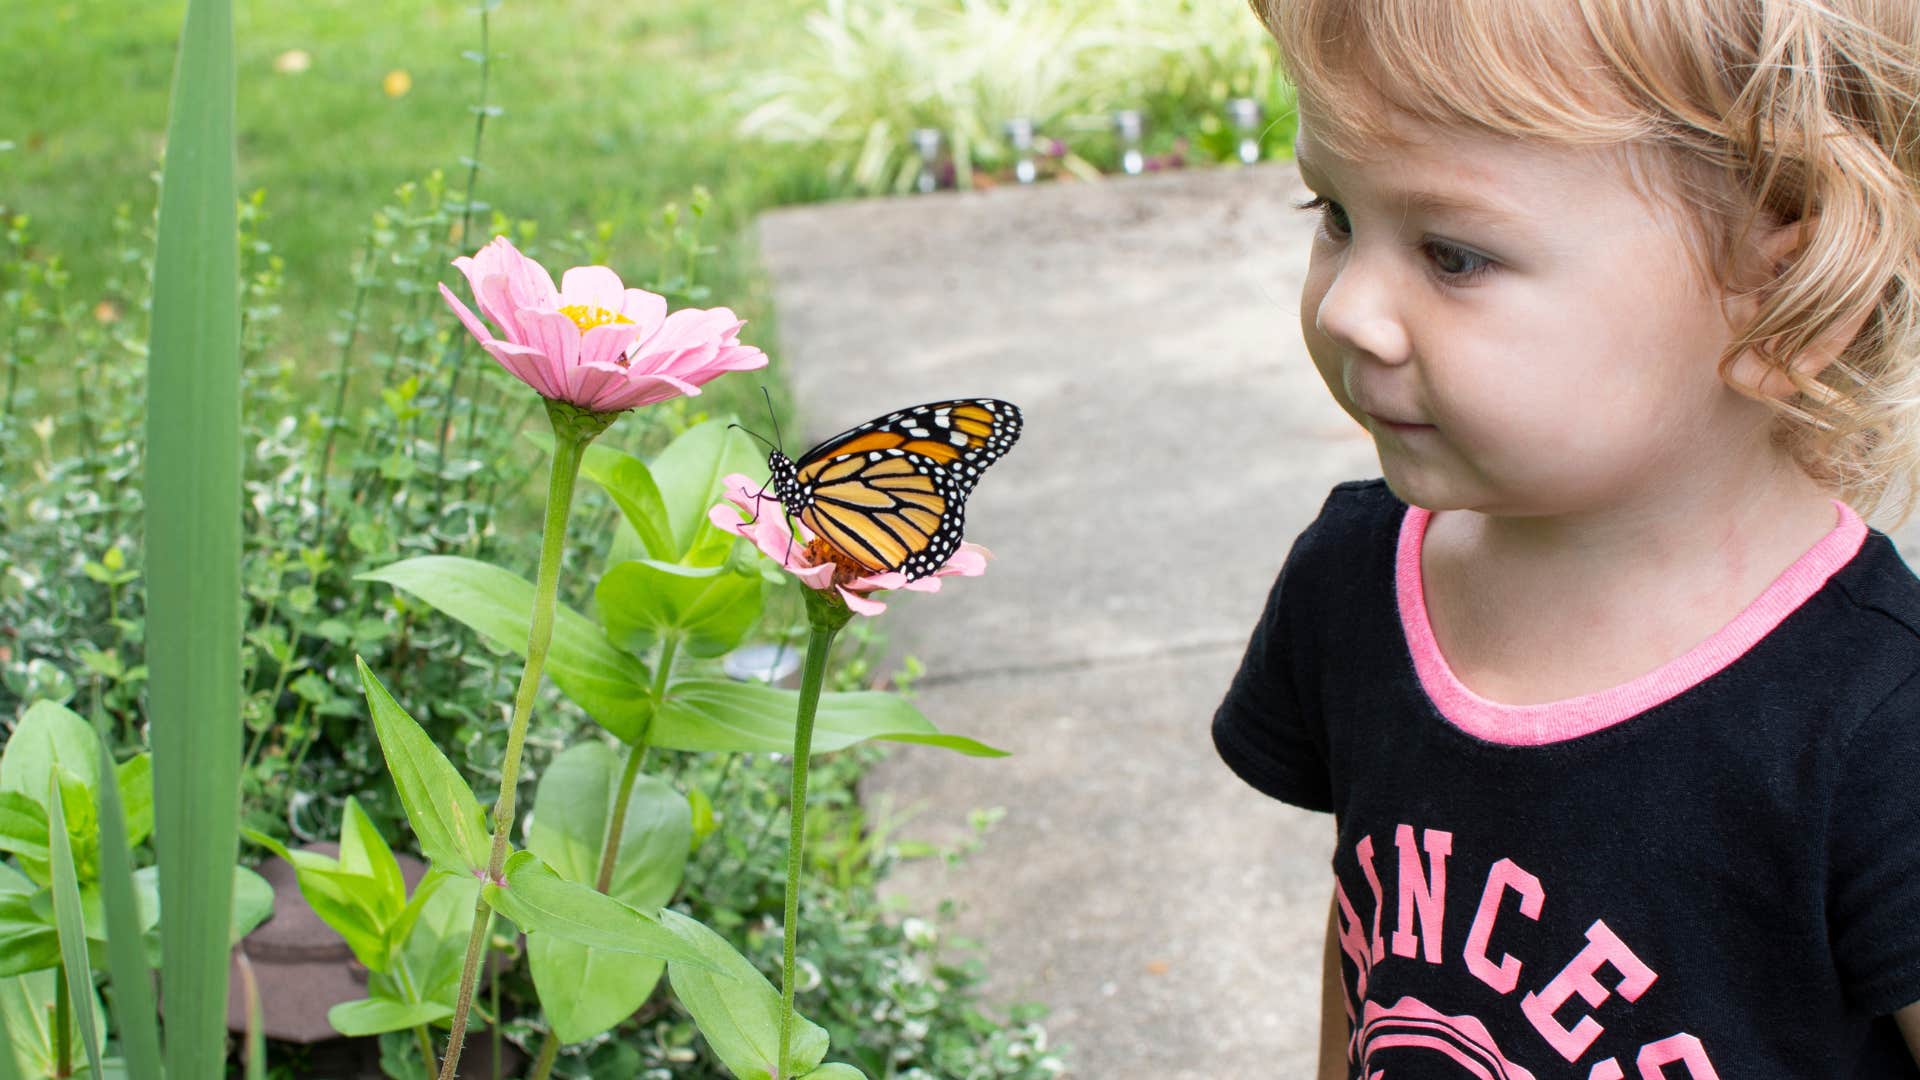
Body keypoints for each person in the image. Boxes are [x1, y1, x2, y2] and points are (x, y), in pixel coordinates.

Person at [1211, 1, 1920, 1075]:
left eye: (1453, 254)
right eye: (1336, 212)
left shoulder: (1877, 724)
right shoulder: (1354, 582)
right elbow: (1381, 938)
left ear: (1788, 282)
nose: (1351, 306)